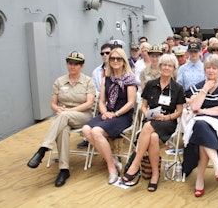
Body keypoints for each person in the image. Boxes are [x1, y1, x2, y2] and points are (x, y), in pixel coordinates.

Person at [27, 51, 96, 187]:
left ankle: (43, 149)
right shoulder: (60, 81)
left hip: (82, 115)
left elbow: (88, 104)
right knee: (63, 129)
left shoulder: (88, 81)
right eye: (70, 63)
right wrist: (57, 109)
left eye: (76, 64)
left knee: (62, 117)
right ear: (67, 64)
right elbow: (53, 103)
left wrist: (66, 111)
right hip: (63, 117)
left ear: (82, 66)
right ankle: (64, 170)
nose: (72, 66)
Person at [122, 54, 185, 192]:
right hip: (151, 119)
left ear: (174, 69)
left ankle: (135, 163)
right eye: (164, 65)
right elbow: (143, 106)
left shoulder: (178, 88)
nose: (166, 68)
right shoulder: (151, 84)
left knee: (147, 126)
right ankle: (155, 175)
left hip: (168, 122)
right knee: (153, 137)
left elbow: (179, 112)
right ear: (160, 66)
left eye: (170, 65)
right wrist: (148, 114)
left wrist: (165, 118)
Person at [182, 54, 218, 197]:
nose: (210, 71)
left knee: (201, 128)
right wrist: (205, 89)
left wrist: (204, 111)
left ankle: (200, 179)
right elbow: (194, 106)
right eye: (208, 68)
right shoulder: (199, 86)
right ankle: (217, 165)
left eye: (214, 68)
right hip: (200, 122)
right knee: (200, 126)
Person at [82, 48, 137, 184]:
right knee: (85, 129)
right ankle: (113, 160)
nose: (115, 61)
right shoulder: (105, 80)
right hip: (108, 114)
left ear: (124, 61)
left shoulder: (130, 79)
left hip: (122, 115)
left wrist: (116, 114)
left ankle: (111, 169)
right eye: (113, 59)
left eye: (118, 58)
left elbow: (131, 103)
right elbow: (101, 101)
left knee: (95, 131)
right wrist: (105, 112)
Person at [78, 43, 113, 149]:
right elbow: (94, 88)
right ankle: (88, 136)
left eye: (107, 53)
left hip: (112, 103)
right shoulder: (96, 71)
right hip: (99, 100)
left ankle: (104, 137)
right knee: (88, 103)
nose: (105, 55)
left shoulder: (118, 71)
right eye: (102, 53)